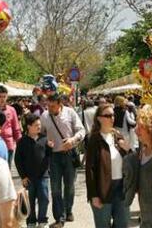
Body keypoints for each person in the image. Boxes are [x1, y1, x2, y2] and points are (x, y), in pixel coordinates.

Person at [40, 93, 85, 227]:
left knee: (69, 186)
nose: (49, 109)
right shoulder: (44, 116)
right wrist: (46, 142)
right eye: (48, 105)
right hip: (54, 157)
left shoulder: (70, 113)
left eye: (52, 106)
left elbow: (81, 131)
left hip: (69, 154)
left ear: (60, 104)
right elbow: (41, 135)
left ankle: (68, 210)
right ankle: (59, 218)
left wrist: (72, 140)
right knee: (55, 188)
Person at [86, 103, 130, 228]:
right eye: (108, 115)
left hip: (121, 188)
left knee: (123, 223)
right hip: (102, 188)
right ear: (99, 118)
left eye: (113, 115)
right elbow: (90, 170)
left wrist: (127, 149)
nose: (112, 118)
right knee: (103, 225)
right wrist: (93, 195)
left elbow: (130, 161)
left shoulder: (117, 136)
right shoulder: (94, 140)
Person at [15, 113, 52, 228]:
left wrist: (50, 148)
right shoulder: (22, 141)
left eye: (39, 125)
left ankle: (42, 220)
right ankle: (31, 221)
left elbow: (49, 157)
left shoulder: (44, 139)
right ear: (29, 127)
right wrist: (23, 177)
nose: (39, 127)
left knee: (44, 198)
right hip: (29, 177)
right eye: (36, 125)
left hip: (43, 175)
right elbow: (18, 160)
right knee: (30, 200)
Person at [0, 85, 22, 168]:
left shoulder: (11, 110)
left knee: (7, 168)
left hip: (8, 144)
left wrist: (20, 143)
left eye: (4, 96)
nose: (3, 99)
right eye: (0, 97)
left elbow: (16, 127)